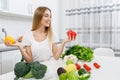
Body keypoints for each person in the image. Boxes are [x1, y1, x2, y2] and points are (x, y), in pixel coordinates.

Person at [4, 6, 74, 63]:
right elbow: (30, 61)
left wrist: (64, 42)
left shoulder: (52, 34)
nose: (49, 19)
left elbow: (56, 57)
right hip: (33, 70)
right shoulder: (28, 35)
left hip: (48, 68)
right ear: (38, 17)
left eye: (50, 16)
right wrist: (19, 46)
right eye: (46, 16)